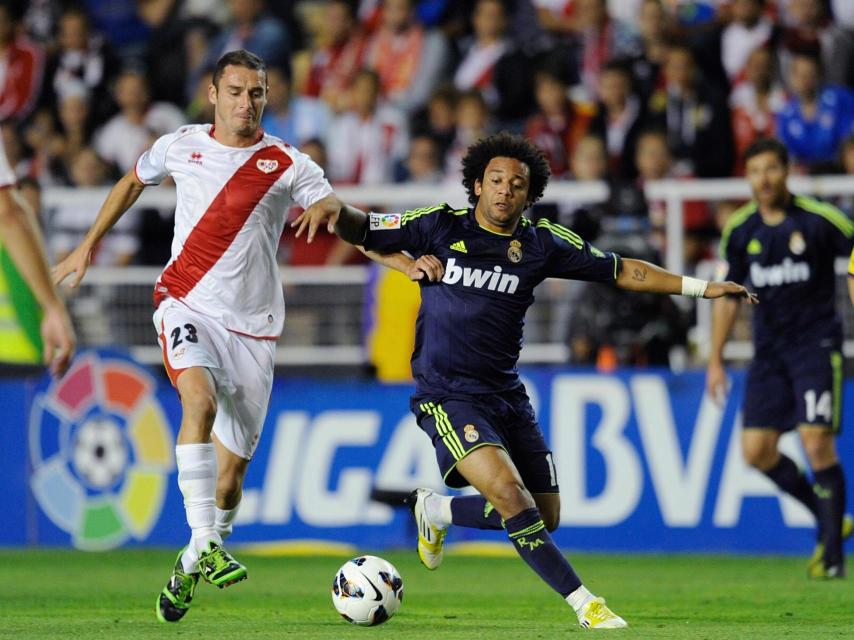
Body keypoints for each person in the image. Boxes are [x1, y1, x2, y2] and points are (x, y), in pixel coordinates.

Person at [293, 131, 756, 630]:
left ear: (529, 196)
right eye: (495, 180)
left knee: (544, 515)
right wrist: (334, 207)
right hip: (448, 396)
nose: (505, 190)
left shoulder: (541, 244)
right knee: (513, 498)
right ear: (476, 183)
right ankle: (585, 604)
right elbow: (366, 230)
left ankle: (437, 511)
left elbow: (624, 271)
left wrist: (702, 288)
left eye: (517, 184)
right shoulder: (437, 227)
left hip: (507, 394)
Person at [51, 49, 443, 624]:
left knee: (231, 480)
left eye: (256, 93)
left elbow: (341, 219)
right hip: (184, 302)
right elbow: (131, 182)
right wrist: (88, 244)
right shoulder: (180, 144)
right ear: (213, 94)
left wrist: (403, 263)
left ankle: (189, 563)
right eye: (235, 91)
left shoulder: (288, 163)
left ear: (267, 97)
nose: (246, 102)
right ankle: (206, 538)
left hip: (254, 332)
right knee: (198, 400)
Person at [706, 137, 853, 579]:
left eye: (771, 169)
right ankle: (831, 520)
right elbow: (727, 296)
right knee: (756, 452)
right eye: (755, 171)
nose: (764, 179)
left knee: (815, 442)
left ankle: (831, 556)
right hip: (767, 354)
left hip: (816, 346)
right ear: (747, 177)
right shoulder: (740, 229)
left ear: (787, 171)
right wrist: (714, 358)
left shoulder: (819, 219)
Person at [0, 138, 75, 376]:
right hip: (21, 351)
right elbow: (7, 212)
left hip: (29, 353)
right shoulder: (16, 237)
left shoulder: (46, 240)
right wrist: (54, 307)